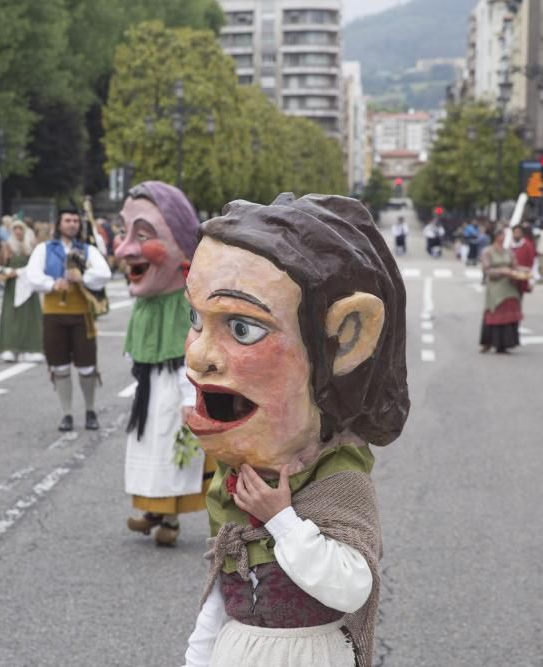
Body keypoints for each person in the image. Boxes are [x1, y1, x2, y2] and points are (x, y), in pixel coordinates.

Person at [183, 193, 409, 667]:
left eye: (243, 327)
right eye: (195, 319)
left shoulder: (337, 480)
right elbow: (220, 598)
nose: (197, 355)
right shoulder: (237, 483)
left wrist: (281, 519)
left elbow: (351, 587)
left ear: (346, 338)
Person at [114, 181, 213, 547]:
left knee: (171, 447)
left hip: (175, 387)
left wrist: (190, 397)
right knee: (146, 449)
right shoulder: (145, 303)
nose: (125, 248)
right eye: (125, 234)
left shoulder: (185, 301)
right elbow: (137, 345)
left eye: (143, 235)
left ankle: (169, 515)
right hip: (148, 386)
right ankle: (151, 509)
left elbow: (192, 351)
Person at [26, 208, 111, 431]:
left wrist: (83, 277)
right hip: (53, 315)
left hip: (82, 315)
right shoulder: (44, 249)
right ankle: (66, 414)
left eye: (75, 220)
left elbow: (105, 274)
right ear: (59, 224)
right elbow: (32, 276)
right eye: (67, 220)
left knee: (86, 366)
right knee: (59, 366)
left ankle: (90, 411)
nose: (72, 224)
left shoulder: (88, 249)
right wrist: (52, 284)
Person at [0, 219, 44, 362]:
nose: (18, 232)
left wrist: (22, 272)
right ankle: (9, 347)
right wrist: (2, 271)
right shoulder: (7, 245)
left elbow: (38, 264)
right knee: (11, 316)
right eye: (15, 229)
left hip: (29, 285)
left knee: (31, 316)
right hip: (12, 286)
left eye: (21, 229)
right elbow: (0, 264)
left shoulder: (32, 245)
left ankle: (31, 348)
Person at [479, 228, 522, 353]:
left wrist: (521, 271)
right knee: (495, 310)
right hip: (496, 285)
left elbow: (515, 266)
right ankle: (489, 342)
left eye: (504, 235)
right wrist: (502, 271)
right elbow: (487, 270)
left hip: (509, 285)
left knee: (510, 309)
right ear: (495, 236)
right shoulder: (488, 251)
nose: (503, 237)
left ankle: (505, 343)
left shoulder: (509, 252)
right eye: (501, 235)